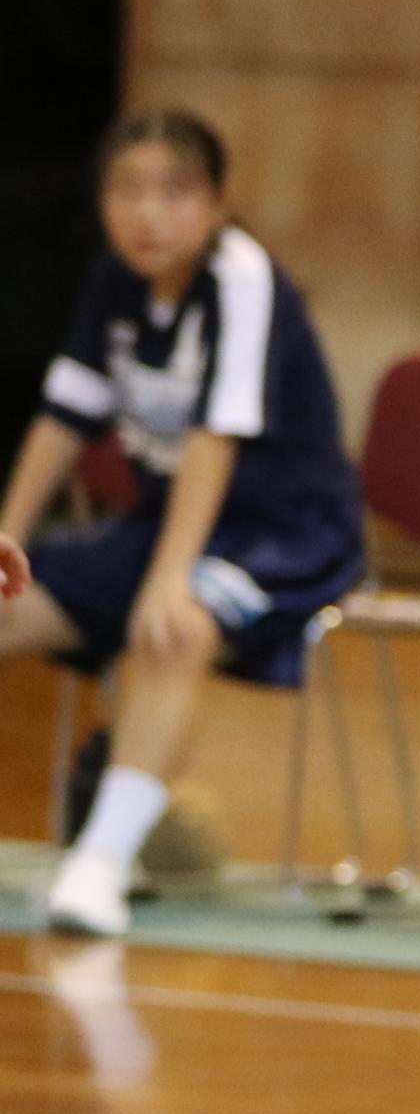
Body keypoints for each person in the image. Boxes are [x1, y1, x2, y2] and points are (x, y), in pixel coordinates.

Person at [0, 109, 366, 938]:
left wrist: (170, 578)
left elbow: (214, 437)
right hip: (168, 522)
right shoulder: (114, 284)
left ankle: (99, 866)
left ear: (217, 202)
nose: (148, 214)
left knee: (175, 627)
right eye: (127, 190)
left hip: (288, 531)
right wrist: (7, 537)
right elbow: (62, 418)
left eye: (173, 191)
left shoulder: (244, 279)